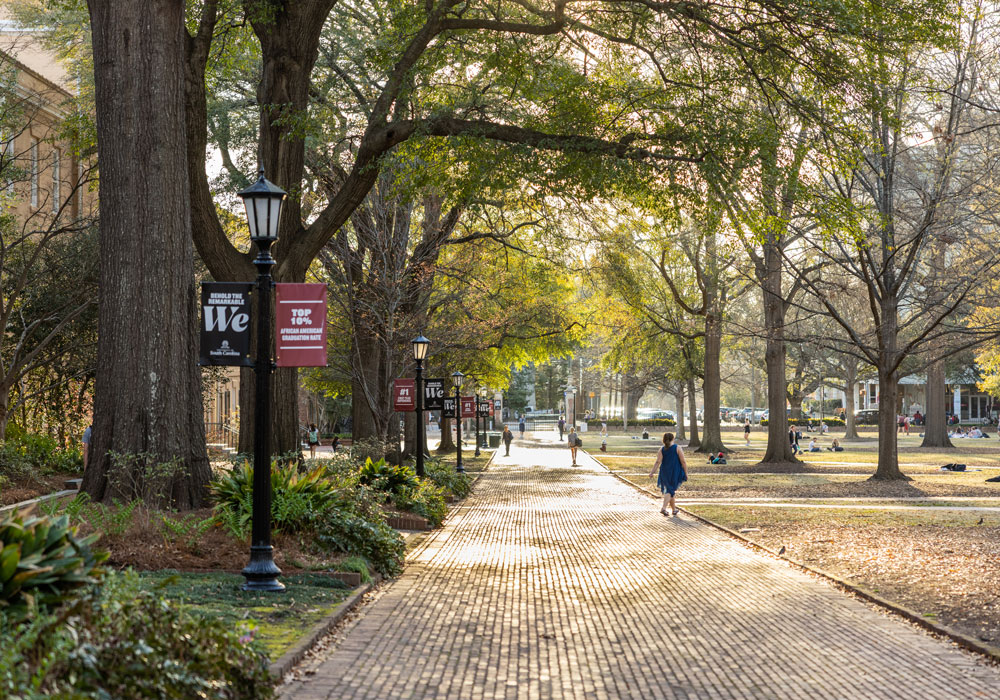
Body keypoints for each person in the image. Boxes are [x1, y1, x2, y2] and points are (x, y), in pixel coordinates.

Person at [648, 432, 688, 516]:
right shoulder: (677, 448)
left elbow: (658, 462)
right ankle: (663, 508)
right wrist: (686, 473)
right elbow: (683, 461)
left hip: (664, 472)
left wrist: (652, 472)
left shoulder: (661, 449)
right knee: (670, 490)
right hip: (674, 472)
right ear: (673, 439)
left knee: (670, 490)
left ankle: (674, 509)